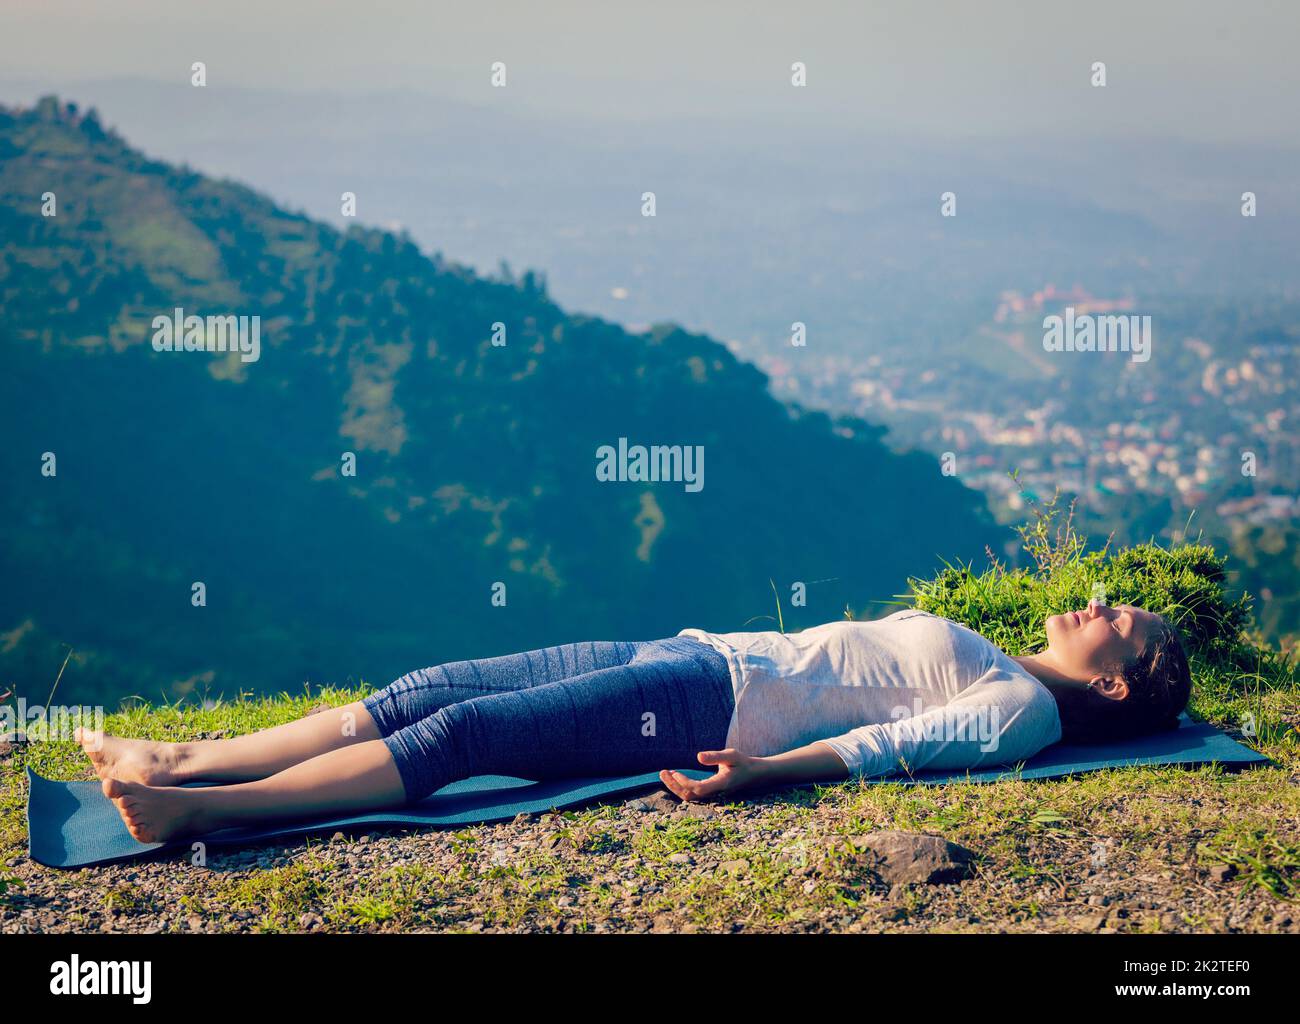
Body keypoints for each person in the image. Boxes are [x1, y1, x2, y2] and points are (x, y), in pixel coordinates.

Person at [79, 601, 1191, 844]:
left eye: (1119, 626)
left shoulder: (1024, 711)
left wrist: (763, 771)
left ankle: (201, 809)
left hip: (712, 705)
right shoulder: (1013, 661)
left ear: (1114, 688)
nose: (1098, 604)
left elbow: (885, 749)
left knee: (465, 738)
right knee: (425, 687)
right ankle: (181, 754)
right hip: (697, 653)